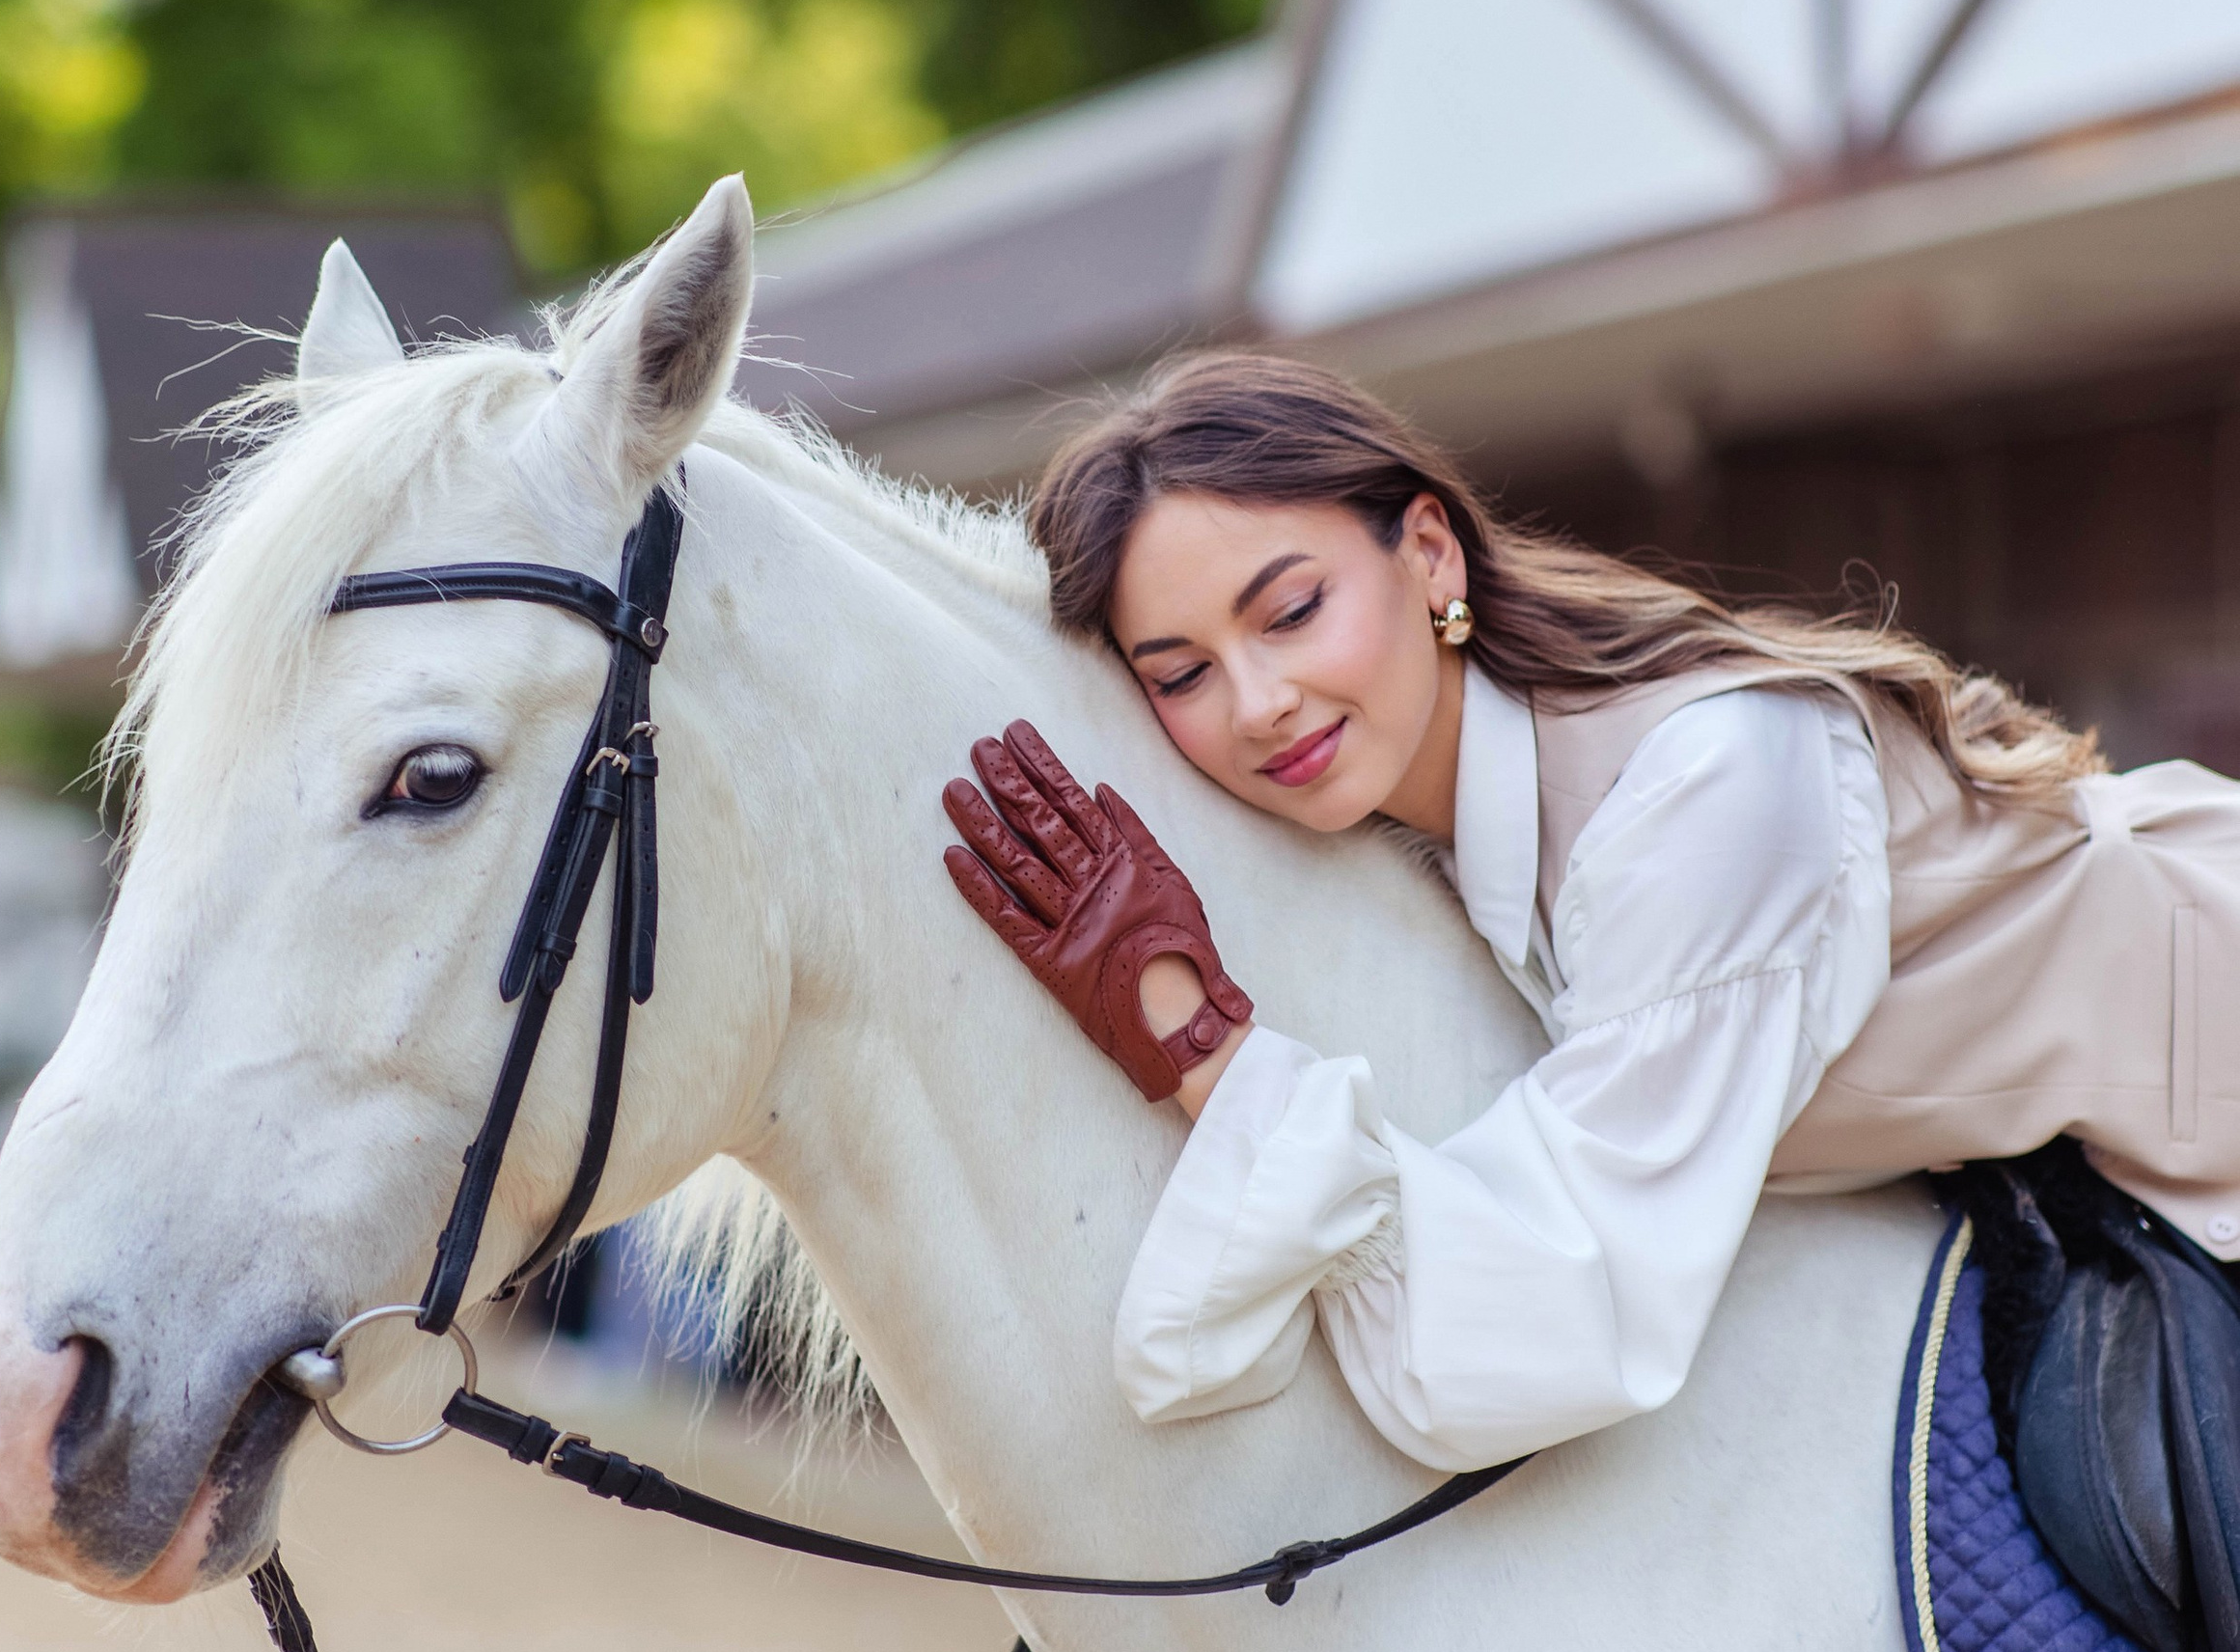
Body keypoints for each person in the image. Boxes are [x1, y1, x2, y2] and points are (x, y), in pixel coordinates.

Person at [939, 352, 2240, 1477]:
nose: (1259, 700)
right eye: (1182, 676)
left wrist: (1192, 1039)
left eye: (1290, 612)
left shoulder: (1701, 791)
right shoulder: (1415, 836)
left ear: (1430, 554)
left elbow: (1569, 1311)